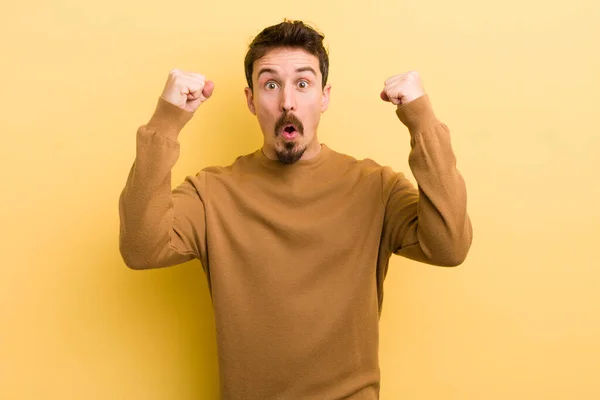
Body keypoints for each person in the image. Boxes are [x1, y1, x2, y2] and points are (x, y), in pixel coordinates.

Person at [119, 19, 472, 400]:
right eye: (270, 84)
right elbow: (141, 249)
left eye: (303, 83)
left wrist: (422, 119)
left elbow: (449, 247)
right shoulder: (212, 192)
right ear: (251, 100)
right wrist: (165, 123)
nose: (287, 100)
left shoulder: (375, 187)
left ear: (324, 96)